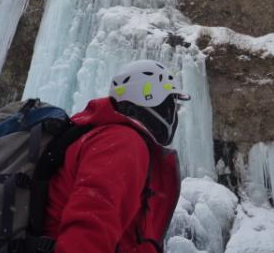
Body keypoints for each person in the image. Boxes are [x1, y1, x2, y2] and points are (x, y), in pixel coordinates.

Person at [44, 59, 189, 253]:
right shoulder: (123, 142)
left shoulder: (107, 136)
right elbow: (88, 233)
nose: (175, 114)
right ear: (151, 99)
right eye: (172, 104)